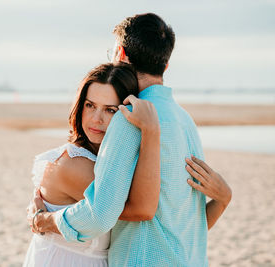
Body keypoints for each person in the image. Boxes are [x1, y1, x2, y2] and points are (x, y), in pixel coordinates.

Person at [28, 13, 232, 266]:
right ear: (165, 66)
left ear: (120, 54)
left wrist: (43, 220)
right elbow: (187, 221)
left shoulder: (130, 116)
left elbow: (101, 215)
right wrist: (223, 200)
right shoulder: (184, 120)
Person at [23, 62, 161, 266]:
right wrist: (151, 132)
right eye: (90, 105)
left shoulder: (105, 159)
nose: (96, 119)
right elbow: (141, 210)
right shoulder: (73, 164)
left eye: (110, 110)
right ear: (80, 106)